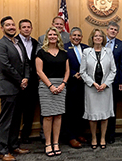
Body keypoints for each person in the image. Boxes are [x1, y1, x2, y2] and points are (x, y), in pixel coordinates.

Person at [0, 16, 30, 161]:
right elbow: (5, 66)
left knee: (16, 120)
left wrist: (26, 78)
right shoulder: (0, 44)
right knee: (6, 120)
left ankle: (14, 145)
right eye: (8, 25)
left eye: (13, 25)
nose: (11, 27)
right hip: (8, 88)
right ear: (2, 28)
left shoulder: (18, 43)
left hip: (21, 88)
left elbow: (26, 62)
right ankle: (3, 151)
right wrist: (20, 80)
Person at [80, 28, 116, 149]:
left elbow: (113, 70)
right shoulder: (86, 52)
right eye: (96, 36)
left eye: (100, 36)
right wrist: (93, 83)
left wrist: (105, 84)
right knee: (93, 115)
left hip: (105, 88)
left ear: (103, 38)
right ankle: (94, 138)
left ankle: (102, 138)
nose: (98, 38)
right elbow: (82, 72)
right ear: (92, 38)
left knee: (104, 115)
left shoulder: (108, 51)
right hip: (92, 89)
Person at [36, 27, 70, 157]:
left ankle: (56, 143)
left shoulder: (63, 53)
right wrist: (50, 85)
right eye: (50, 34)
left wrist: (63, 84)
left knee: (58, 115)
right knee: (48, 116)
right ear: (46, 37)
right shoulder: (41, 52)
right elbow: (39, 71)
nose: (52, 36)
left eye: (54, 34)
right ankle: (48, 143)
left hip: (61, 86)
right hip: (46, 86)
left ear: (58, 37)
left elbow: (67, 71)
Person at [63, 27, 89, 148]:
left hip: (84, 85)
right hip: (71, 84)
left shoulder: (86, 48)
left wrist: (84, 75)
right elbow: (62, 64)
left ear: (82, 37)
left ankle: (79, 133)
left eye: (79, 35)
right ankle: (71, 136)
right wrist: (74, 73)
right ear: (70, 36)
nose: (76, 37)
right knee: (70, 111)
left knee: (81, 110)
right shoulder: (64, 48)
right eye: (74, 35)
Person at [15, 19, 39, 144]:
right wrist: (21, 79)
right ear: (19, 29)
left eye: (28, 27)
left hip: (33, 82)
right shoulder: (13, 42)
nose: (26, 29)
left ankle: (25, 136)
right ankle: (13, 138)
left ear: (31, 28)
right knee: (17, 111)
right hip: (18, 82)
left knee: (30, 111)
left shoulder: (35, 42)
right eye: (23, 27)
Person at [105, 21, 122, 144]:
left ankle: (110, 135)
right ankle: (99, 134)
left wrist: (121, 81)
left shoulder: (121, 45)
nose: (113, 31)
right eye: (111, 29)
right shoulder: (100, 42)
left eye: (115, 30)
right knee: (100, 107)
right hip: (99, 82)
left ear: (117, 32)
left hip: (114, 81)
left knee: (112, 109)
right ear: (107, 30)